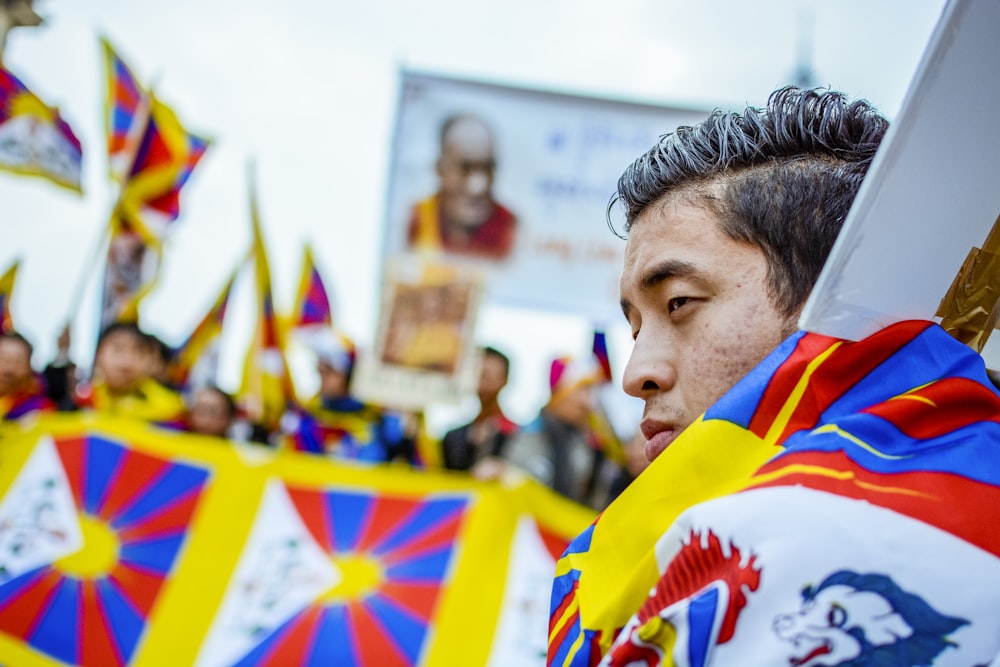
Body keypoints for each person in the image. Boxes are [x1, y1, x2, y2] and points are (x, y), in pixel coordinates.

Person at [548, 87, 1000, 666]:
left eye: (680, 302)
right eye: (636, 328)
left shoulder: (858, 539)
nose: (637, 374)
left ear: (833, 307)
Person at [479, 355, 610, 510]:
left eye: (592, 392)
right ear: (559, 391)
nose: (587, 402)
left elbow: (595, 508)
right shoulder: (510, 436)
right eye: (582, 390)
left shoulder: (595, 450)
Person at [285, 328, 418, 464]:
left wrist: (407, 434)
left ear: (350, 375)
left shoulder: (378, 417)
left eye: (329, 372)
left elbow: (410, 464)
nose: (322, 378)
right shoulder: (305, 417)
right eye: (319, 371)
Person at [406, 113, 518, 260]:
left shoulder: (509, 227)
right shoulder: (418, 218)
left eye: (487, 168)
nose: (478, 187)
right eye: (464, 169)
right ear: (440, 169)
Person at [74, 321, 186, 424]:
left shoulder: (172, 410)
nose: (126, 363)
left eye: (138, 353)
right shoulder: (79, 403)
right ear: (99, 355)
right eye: (118, 350)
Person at [441, 346, 519, 471]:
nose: (483, 384)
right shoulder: (454, 436)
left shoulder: (517, 434)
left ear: (504, 380)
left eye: (489, 376)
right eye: (479, 375)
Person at [0, 331, 54, 421]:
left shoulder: (42, 412)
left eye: (18, 362)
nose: (9, 369)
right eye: (2, 359)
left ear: (29, 368)